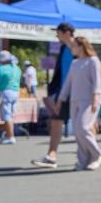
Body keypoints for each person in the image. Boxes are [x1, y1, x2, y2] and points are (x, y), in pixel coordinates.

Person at [55, 36, 101, 171]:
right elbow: (68, 83)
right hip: (75, 100)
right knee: (77, 131)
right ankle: (83, 160)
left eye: (74, 46)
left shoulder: (93, 61)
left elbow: (97, 82)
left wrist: (96, 98)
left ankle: (97, 154)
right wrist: (60, 99)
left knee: (83, 127)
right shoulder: (75, 63)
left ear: (81, 46)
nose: (72, 48)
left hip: (89, 100)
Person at [32, 22, 77, 168]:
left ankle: (90, 154)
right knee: (56, 121)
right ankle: (51, 155)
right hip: (63, 92)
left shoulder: (78, 47)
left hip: (77, 91)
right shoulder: (63, 48)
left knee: (85, 126)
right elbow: (61, 73)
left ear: (67, 33)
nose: (56, 35)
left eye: (58, 32)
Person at [0, 50, 21, 144]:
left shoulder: (1, 69)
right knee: (10, 115)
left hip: (5, 92)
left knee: (6, 116)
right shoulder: (17, 68)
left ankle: (10, 137)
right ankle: (9, 135)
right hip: (15, 92)